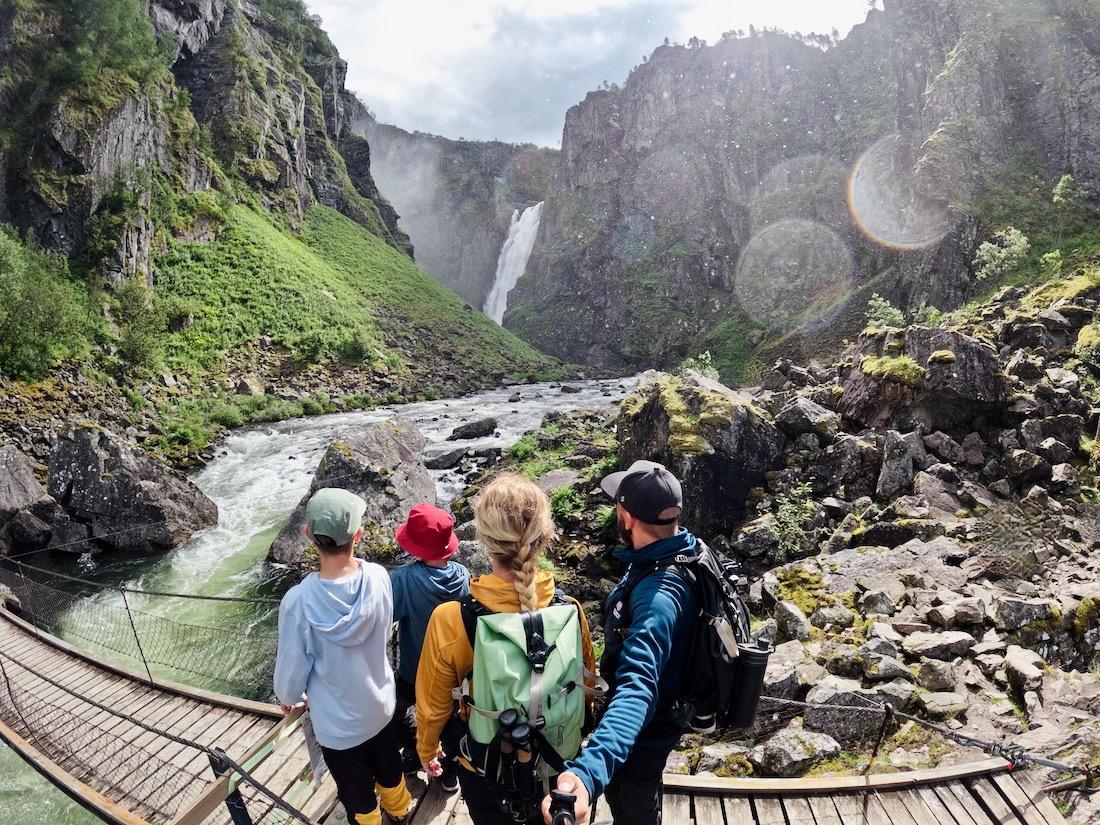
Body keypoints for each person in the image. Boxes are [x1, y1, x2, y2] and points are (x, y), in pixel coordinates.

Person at [414, 473, 597, 825]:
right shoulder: (569, 608)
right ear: (544, 536)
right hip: (561, 765)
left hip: (486, 768)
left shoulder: (453, 619)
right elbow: (586, 686)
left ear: (484, 539)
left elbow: (432, 706)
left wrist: (426, 749)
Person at [542, 460, 699, 825]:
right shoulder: (680, 548)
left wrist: (588, 772)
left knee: (633, 804)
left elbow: (638, 686)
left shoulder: (659, 596)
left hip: (645, 732)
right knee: (642, 796)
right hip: (666, 711)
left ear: (626, 517)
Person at [274, 488, 412, 825]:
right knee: (390, 768)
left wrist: (289, 697)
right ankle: (401, 810)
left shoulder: (297, 602)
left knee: (355, 790)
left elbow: (291, 676)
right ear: (359, 535)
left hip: (338, 727)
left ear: (307, 535)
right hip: (381, 706)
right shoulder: (379, 577)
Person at [390, 502, 471, 787]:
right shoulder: (462, 576)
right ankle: (448, 773)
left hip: (414, 670)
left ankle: (413, 753)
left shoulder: (403, 580)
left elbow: (385, 616)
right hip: (450, 673)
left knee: (393, 711)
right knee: (449, 724)